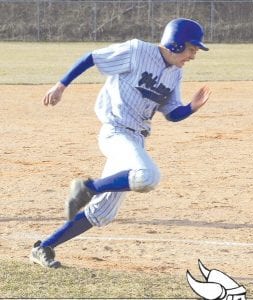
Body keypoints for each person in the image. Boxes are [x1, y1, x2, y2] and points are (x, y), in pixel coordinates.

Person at [30, 18, 211, 268]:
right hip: (115, 131)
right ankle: (87, 187)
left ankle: (44, 247)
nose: (193, 55)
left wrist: (190, 108)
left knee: (102, 212)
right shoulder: (137, 51)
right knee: (148, 177)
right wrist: (61, 85)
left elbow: (171, 113)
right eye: (192, 48)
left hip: (135, 139)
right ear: (176, 43)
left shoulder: (175, 74)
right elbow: (92, 57)